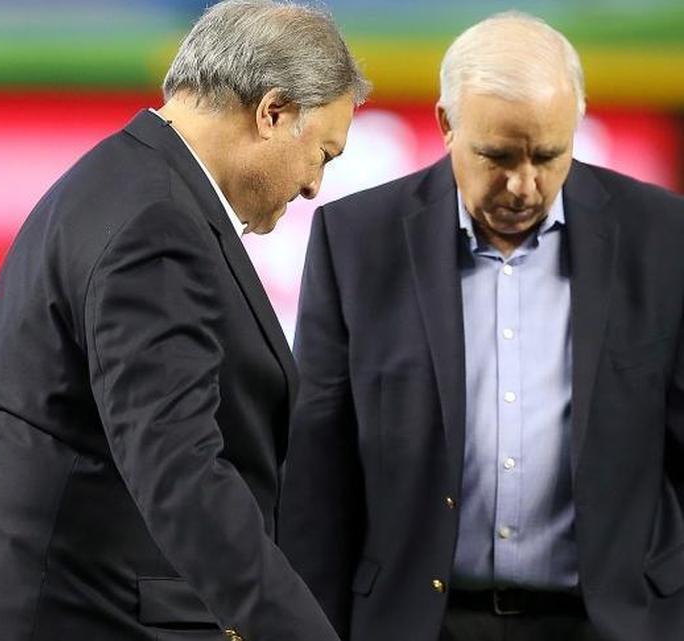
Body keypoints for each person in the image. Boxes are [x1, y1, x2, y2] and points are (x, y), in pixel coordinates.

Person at [0, 2, 369, 640]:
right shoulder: (156, 222)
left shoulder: (122, 182)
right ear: (272, 113)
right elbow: (179, 470)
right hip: (79, 616)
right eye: (323, 154)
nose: (312, 187)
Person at [278, 11, 684, 641]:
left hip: (614, 623)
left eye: (548, 155)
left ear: (577, 122)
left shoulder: (663, 237)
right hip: (416, 625)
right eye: (497, 156)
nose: (524, 186)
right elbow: (315, 469)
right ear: (446, 125)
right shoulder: (355, 241)